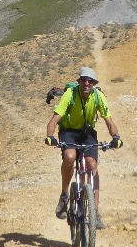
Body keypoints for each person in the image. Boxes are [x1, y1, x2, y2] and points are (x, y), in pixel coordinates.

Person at [45, 66, 122, 230]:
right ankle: (65, 195)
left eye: (90, 81)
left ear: (94, 83)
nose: (87, 83)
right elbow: (54, 119)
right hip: (69, 132)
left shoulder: (98, 96)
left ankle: (95, 211)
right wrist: (50, 136)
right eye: (83, 80)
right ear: (79, 81)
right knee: (70, 157)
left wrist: (116, 138)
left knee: (91, 165)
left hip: (87, 133)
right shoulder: (70, 95)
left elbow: (109, 121)